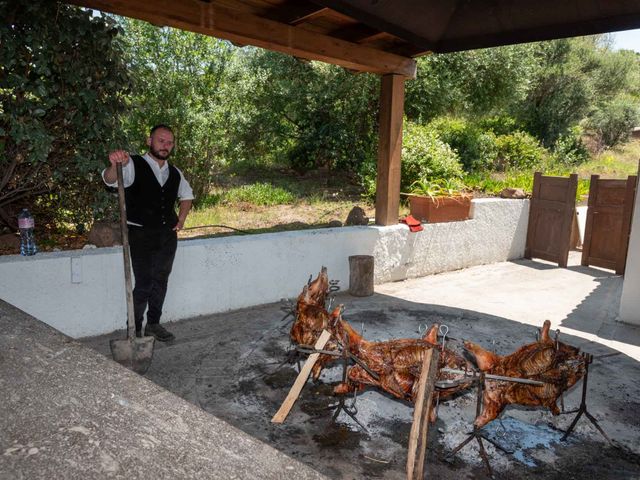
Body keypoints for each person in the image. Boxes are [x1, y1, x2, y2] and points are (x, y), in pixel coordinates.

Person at [103, 125, 194, 342]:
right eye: (161, 140)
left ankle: (153, 324)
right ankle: (133, 330)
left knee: (161, 280)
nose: (165, 146)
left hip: (167, 235)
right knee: (144, 282)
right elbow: (109, 179)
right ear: (149, 140)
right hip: (140, 234)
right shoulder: (133, 163)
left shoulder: (175, 172)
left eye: (169, 142)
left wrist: (181, 219)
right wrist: (115, 164)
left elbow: (187, 195)